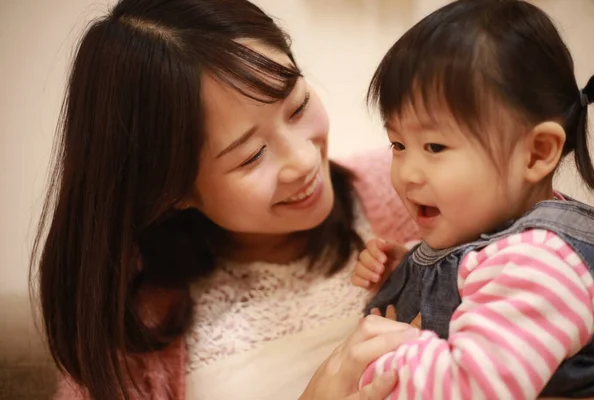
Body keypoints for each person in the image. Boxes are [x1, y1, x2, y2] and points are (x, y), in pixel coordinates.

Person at [29, 0, 421, 399]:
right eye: (251, 155)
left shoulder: (418, 189)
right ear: (172, 188)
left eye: (298, 105)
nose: (303, 161)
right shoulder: (131, 330)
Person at [352, 0, 594, 398]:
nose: (406, 173)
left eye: (434, 146)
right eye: (397, 144)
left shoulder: (541, 266)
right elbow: (470, 274)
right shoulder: (496, 236)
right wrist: (408, 273)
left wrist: (382, 350)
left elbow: (469, 387)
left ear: (536, 153)